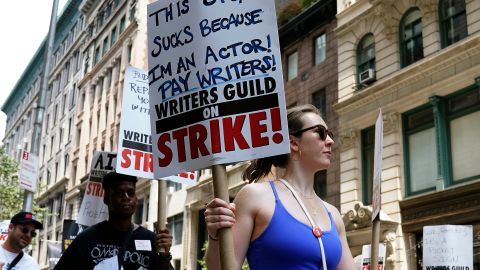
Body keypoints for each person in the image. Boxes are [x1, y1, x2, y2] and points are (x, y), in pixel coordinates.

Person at [205, 104, 354, 269]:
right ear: (293, 143)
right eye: (321, 133)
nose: (330, 141)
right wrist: (215, 236)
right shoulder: (256, 197)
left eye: (330, 134)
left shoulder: (333, 214)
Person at [55, 172, 174, 270]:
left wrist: (164, 256)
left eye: (131, 193)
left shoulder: (151, 240)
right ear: (106, 199)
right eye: (119, 193)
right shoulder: (86, 239)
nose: (126, 197)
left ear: (136, 200)